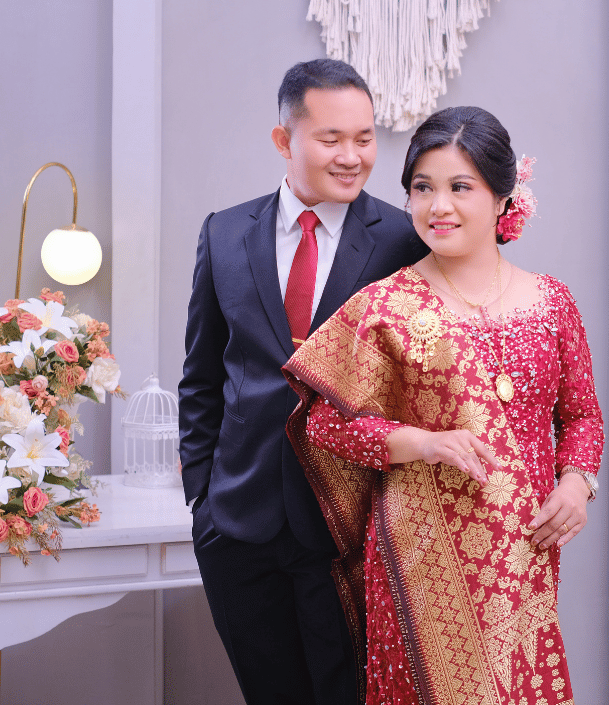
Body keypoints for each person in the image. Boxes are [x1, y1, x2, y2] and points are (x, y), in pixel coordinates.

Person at [284, 106, 604, 705]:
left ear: (503, 197)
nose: (438, 207)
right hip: (419, 565)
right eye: (422, 188)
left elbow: (582, 415)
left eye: (460, 187)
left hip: (524, 558)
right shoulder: (386, 305)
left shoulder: (552, 302)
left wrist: (576, 484)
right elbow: (325, 425)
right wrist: (422, 443)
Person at [178, 59, 428, 705]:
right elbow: (201, 377)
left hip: (350, 529)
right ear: (284, 140)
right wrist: (202, 498)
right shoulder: (224, 233)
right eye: (331, 138)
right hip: (237, 525)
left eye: (365, 138)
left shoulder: (403, 242)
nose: (353, 156)